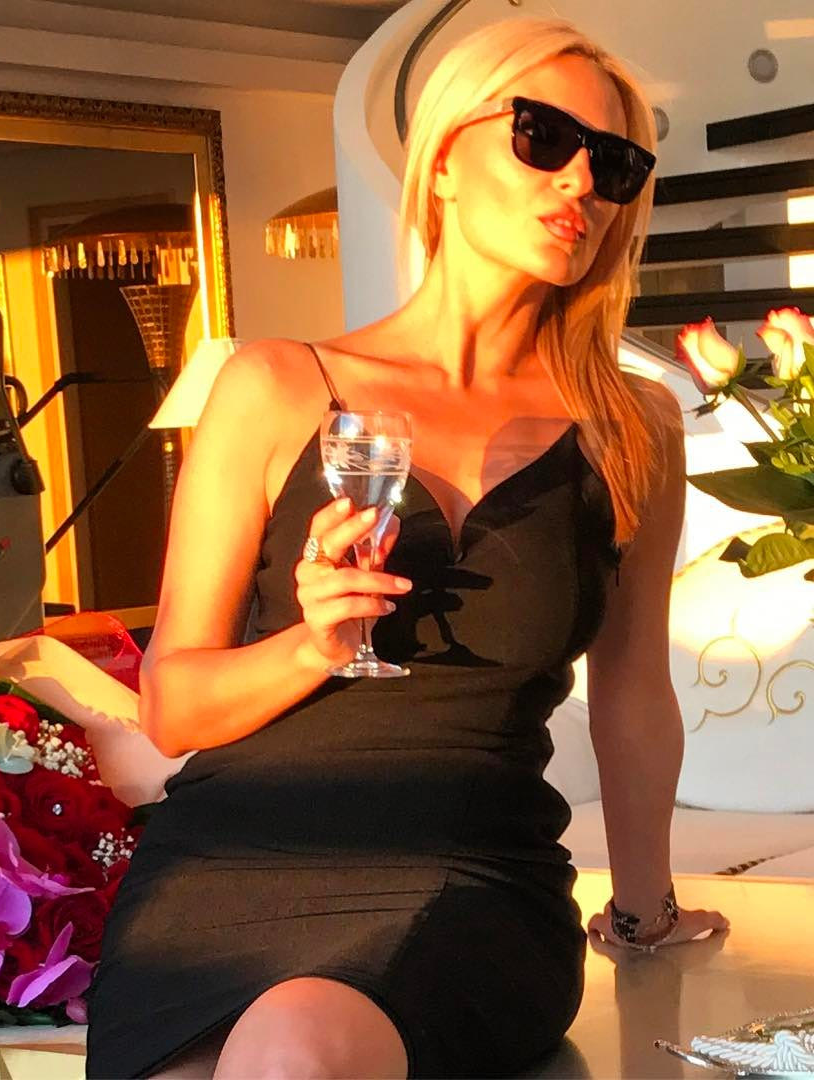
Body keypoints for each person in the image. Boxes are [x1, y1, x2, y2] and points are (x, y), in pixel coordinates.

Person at [85, 16, 729, 1079]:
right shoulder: (273, 386)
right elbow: (174, 707)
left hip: (467, 877)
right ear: (440, 163)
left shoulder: (633, 426)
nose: (581, 181)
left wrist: (642, 911)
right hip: (225, 872)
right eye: (542, 137)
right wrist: (313, 646)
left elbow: (631, 691)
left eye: (613, 163)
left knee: (296, 1049)